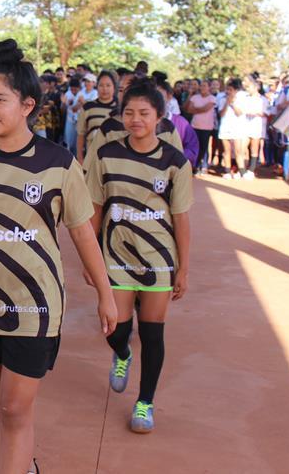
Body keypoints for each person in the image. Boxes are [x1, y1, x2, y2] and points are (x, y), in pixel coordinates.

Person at [0, 39, 117, 474]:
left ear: (27, 104)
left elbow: (84, 235)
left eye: (0, 99)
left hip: (36, 305)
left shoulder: (58, 162)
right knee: (8, 408)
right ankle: (26, 464)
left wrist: (105, 294)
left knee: (14, 408)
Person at [85, 77, 192, 434]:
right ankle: (123, 355)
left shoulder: (175, 161)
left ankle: (145, 402)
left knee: (153, 334)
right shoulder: (106, 154)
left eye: (144, 113)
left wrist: (183, 269)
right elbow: (96, 209)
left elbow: (181, 219)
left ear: (160, 116)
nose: (136, 119)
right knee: (115, 328)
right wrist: (92, 258)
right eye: (129, 112)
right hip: (115, 255)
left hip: (159, 259)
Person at [156, 80, 198, 171]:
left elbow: (192, 148)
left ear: (169, 97)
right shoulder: (142, 122)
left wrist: (176, 158)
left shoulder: (181, 123)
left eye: (159, 96)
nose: (155, 100)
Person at [75, 71, 116, 164]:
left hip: (115, 161)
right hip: (92, 159)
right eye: (101, 85)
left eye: (108, 85)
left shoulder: (121, 109)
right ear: (96, 87)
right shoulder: (87, 107)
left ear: (114, 87)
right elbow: (80, 134)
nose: (105, 89)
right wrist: (80, 159)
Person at [218, 78, 248, 179]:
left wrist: (232, 103)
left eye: (230, 89)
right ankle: (227, 171)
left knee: (238, 151)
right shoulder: (222, 99)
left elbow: (239, 113)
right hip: (224, 127)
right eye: (227, 89)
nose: (228, 91)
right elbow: (221, 114)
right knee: (227, 150)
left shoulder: (241, 100)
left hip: (236, 128)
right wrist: (226, 103)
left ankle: (242, 172)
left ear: (235, 91)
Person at [186, 80, 216, 174]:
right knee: (193, 146)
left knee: (203, 148)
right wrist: (199, 110)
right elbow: (189, 109)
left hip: (206, 127)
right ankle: (192, 165)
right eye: (201, 86)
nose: (202, 87)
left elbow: (206, 108)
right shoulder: (195, 97)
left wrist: (196, 110)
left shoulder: (212, 98)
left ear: (209, 87)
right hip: (195, 126)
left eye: (204, 86)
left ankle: (198, 165)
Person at [241, 75, 268, 180]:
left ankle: (251, 169)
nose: (248, 90)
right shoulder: (245, 98)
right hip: (246, 126)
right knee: (242, 147)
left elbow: (266, 112)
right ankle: (241, 168)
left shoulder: (263, 99)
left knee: (254, 148)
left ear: (256, 87)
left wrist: (256, 113)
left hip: (257, 126)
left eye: (250, 87)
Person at [62, 77, 82, 155]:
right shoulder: (67, 94)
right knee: (68, 141)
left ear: (79, 88)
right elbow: (63, 110)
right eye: (72, 89)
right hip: (69, 120)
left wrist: (79, 104)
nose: (73, 91)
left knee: (77, 142)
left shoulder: (82, 94)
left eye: (75, 89)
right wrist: (64, 103)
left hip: (80, 121)